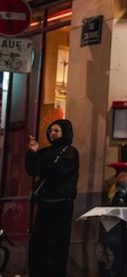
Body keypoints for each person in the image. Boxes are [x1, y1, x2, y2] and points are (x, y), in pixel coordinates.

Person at [26, 119, 79, 277]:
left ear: (64, 132)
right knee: (39, 241)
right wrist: (32, 152)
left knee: (57, 243)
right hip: (45, 202)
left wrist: (43, 166)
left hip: (61, 203)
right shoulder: (45, 152)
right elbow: (32, 170)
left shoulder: (70, 152)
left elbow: (60, 172)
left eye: (56, 131)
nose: (52, 133)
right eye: (51, 130)